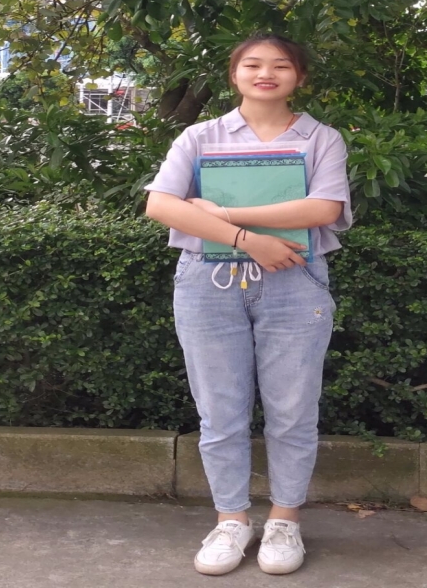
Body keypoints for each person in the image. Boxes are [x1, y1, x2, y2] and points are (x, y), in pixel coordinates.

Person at [144, 33, 352, 575]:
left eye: (281, 65)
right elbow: (161, 204)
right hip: (206, 282)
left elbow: (323, 209)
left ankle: (284, 521)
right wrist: (247, 241)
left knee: (292, 411)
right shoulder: (199, 136)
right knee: (220, 412)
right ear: (233, 74)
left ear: (299, 77)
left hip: (295, 280)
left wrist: (226, 216)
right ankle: (231, 520)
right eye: (252, 64)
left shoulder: (320, 138)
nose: (266, 73)